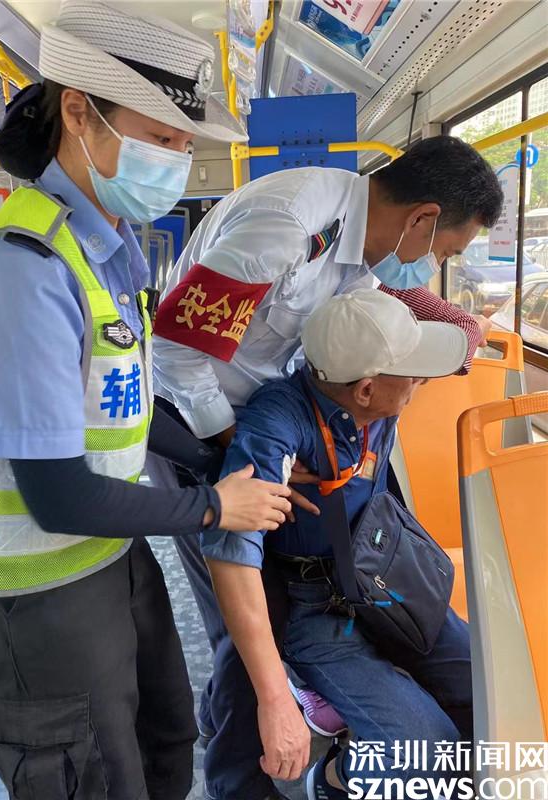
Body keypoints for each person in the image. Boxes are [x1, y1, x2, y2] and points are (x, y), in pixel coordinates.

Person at [0, 3, 292, 799]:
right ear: (78, 112)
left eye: (185, 145)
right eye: (160, 138)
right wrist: (216, 507)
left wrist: (219, 457)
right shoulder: (18, 269)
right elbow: (57, 493)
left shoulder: (108, 250)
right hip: (35, 590)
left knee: (168, 740)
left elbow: (124, 404)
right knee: (97, 781)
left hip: (108, 554)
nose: (176, 162)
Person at [152, 137, 502, 798]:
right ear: (423, 220)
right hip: (198, 423)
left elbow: (372, 301)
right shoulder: (284, 227)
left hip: (261, 415)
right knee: (244, 628)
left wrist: (455, 325)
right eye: (446, 253)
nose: (435, 268)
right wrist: (239, 445)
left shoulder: (361, 247)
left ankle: (300, 707)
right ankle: (242, 777)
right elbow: (175, 352)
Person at [202, 289, 473, 800]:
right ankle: (335, 780)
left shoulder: (370, 393)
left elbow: (463, 340)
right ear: (366, 389)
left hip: (390, 580)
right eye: (412, 371)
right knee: (423, 750)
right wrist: (274, 700)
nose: (422, 381)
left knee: (489, 692)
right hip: (322, 610)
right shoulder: (278, 421)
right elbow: (230, 553)